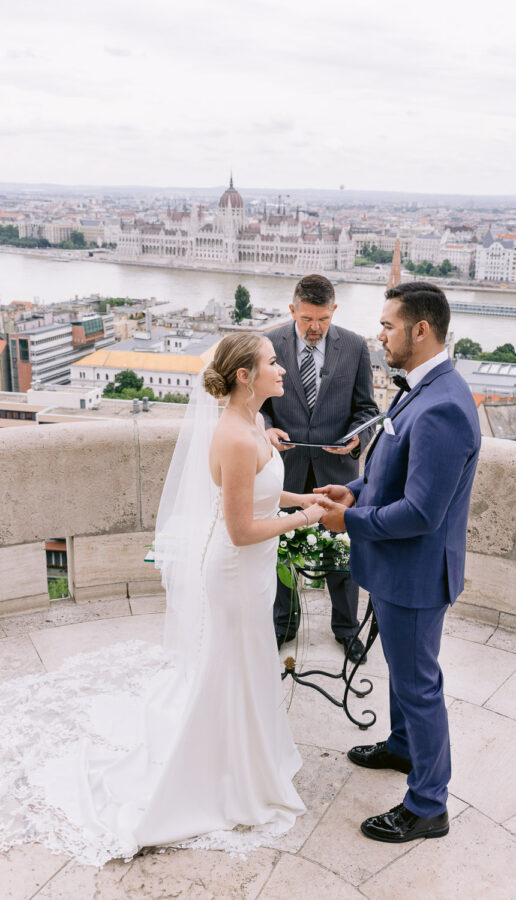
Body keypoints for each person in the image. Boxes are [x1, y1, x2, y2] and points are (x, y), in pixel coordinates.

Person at [0, 333, 324, 866]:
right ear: (245, 375)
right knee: (232, 664)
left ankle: (247, 758)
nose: (283, 369)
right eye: (272, 362)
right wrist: (309, 518)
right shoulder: (236, 437)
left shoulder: (255, 425)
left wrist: (300, 497)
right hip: (234, 571)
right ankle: (222, 773)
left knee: (248, 662)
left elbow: (259, 492)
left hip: (253, 573)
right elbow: (241, 528)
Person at [314, 282, 481, 844]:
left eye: (387, 326)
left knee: (418, 684)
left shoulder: (443, 406)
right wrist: (355, 492)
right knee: (405, 676)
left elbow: (421, 513)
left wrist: (349, 523)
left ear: (421, 330)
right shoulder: (421, 387)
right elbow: (392, 468)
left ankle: (429, 804)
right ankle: (404, 747)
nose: (379, 335)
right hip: (395, 569)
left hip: (414, 574)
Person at [261, 274, 379, 663]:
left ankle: (346, 630)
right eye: (307, 318)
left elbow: (367, 410)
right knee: (281, 549)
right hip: (285, 469)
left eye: (323, 319)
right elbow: (255, 405)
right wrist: (267, 430)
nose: (315, 328)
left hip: (338, 472)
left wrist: (355, 438)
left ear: (334, 311)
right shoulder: (268, 344)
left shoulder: (356, 347)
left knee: (343, 556)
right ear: (292, 309)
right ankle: (284, 625)